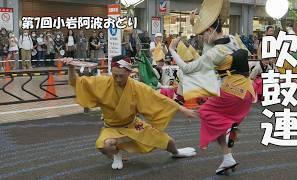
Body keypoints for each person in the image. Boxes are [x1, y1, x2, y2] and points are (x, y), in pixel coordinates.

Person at [64, 55, 197, 170]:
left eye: (121, 76)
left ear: (129, 73)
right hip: (112, 127)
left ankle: (176, 152)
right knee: (105, 146)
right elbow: (76, 82)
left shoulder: (137, 87)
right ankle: (117, 155)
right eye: (115, 75)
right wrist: (70, 68)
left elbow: (159, 98)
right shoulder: (102, 82)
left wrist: (182, 109)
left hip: (133, 125)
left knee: (168, 141)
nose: (118, 79)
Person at [169, 0, 256, 175]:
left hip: (230, 91)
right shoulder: (233, 39)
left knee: (206, 114)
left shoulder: (215, 53)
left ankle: (229, 130)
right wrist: (195, 23)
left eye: (203, 34)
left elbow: (187, 68)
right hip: (247, 91)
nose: (201, 38)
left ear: (209, 30)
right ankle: (227, 155)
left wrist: (172, 49)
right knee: (215, 118)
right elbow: (212, 47)